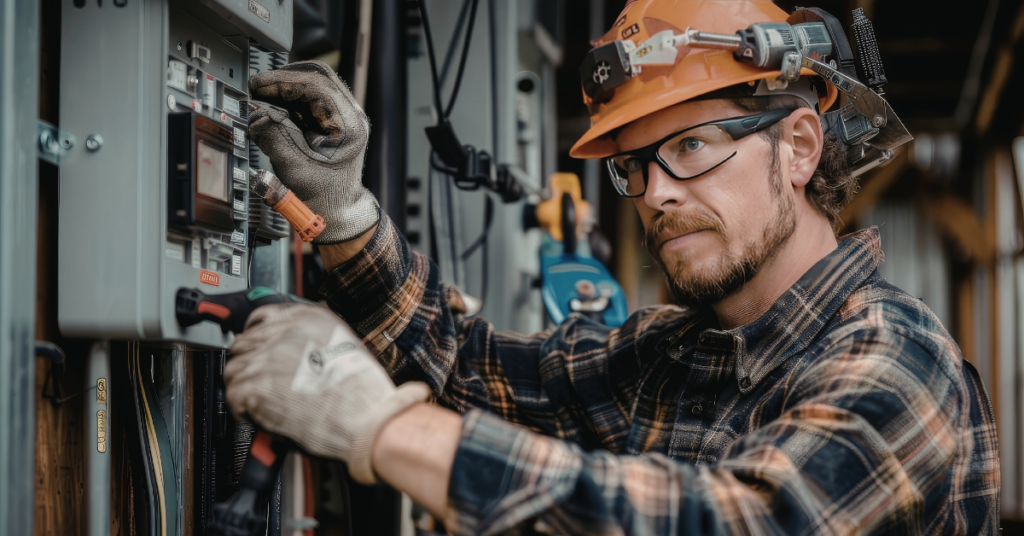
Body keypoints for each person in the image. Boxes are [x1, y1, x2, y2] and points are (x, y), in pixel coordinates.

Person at [228, 1, 1000, 534]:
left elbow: (740, 521)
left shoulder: (898, 361)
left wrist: (386, 428)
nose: (655, 192)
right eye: (634, 165)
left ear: (797, 148)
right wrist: (344, 211)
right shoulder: (669, 355)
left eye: (692, 147)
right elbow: (468, 366)